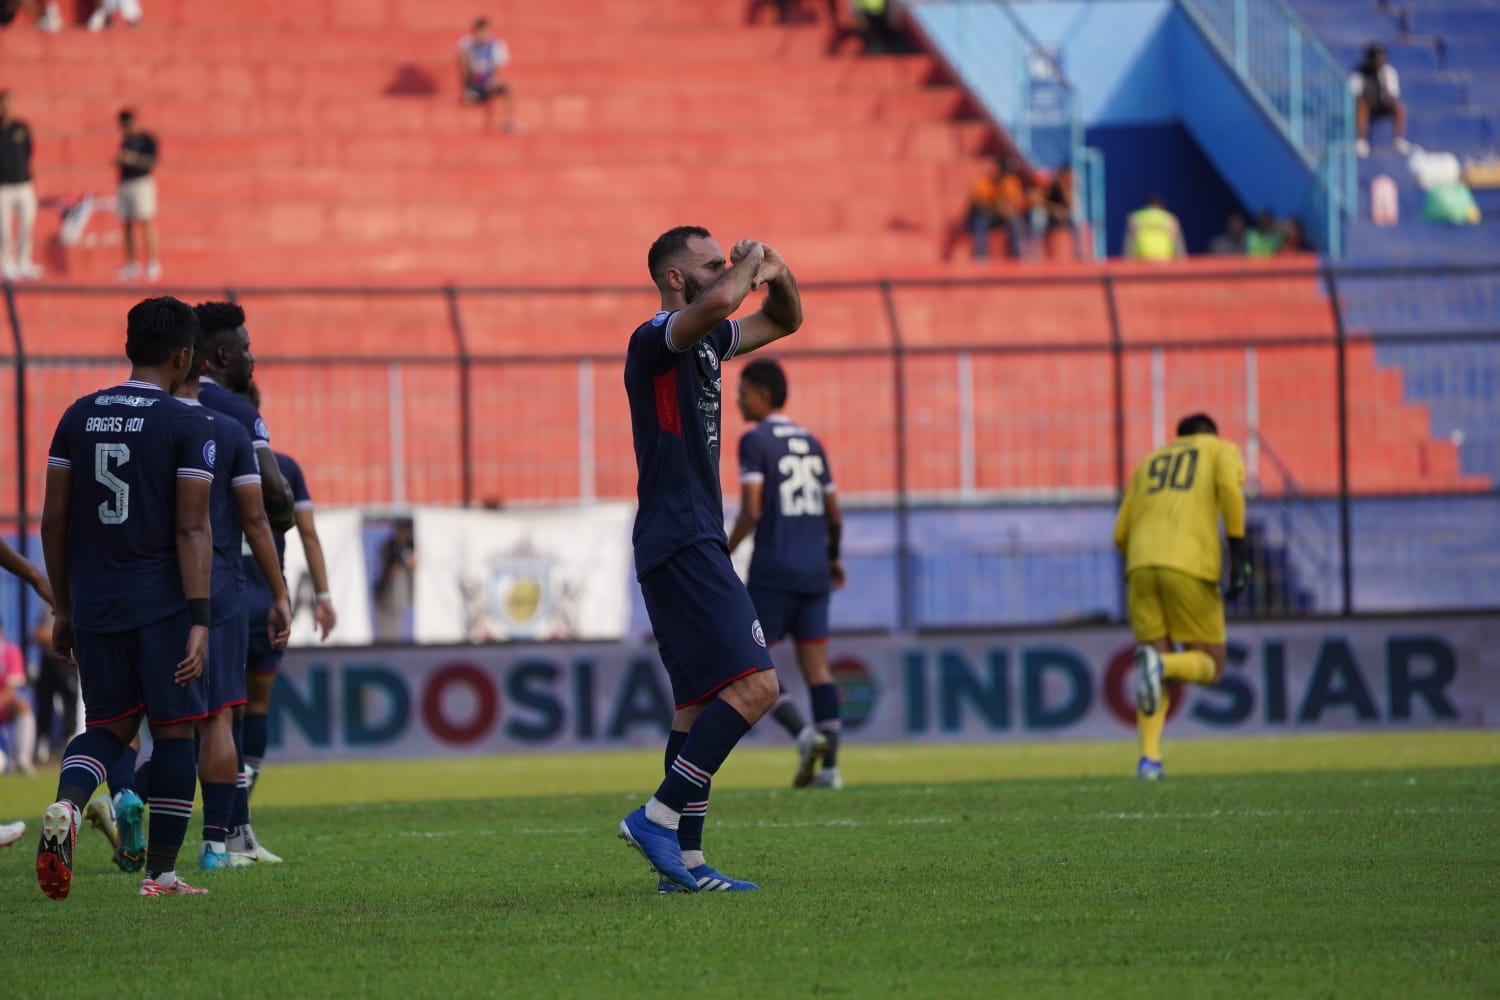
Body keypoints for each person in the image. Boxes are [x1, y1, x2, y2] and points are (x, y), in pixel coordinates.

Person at [618, 226, 803, 893]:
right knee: (758, 687)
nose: (725, 269)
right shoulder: (657, 338)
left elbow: (784, 318)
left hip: (689, 535)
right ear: (675, 279)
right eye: (709, 263)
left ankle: (687, 866)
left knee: (698, 705)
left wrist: (777, 273)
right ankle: (657, 817)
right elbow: (726, 300)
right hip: (683, 534)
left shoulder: (706, 346)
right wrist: (750, 264)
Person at [37, 295, 216, 900]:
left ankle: (67, 804)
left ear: (127, 348)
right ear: (184, 356)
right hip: (162, 604)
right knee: (174, 732)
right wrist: (200, 618)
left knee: (108, 727)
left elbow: (52, 522)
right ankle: (161, 875)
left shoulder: (77, 415)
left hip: (95, 601)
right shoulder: (189, 424)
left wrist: (64, 607)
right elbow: (192, 527)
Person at [172, 341, 291, 870]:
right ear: (211, 356)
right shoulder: (236, 419)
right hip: (218, 580)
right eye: (243, 345)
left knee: (140, 720)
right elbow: (270, 507)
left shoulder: (112, 416)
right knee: (224, 712)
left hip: (145, 583)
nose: (252, 355)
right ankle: (220, 841)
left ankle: (111, 793)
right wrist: (281, 589)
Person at [727, 358, 846, 790]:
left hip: (775, 569)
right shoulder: (813, 443)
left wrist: (723, 552)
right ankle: (830, 770)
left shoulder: (755, 441)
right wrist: (833, 557)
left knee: (752, 661)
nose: (737, 399)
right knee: (818, 669)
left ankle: (801, 733)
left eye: (742, 391)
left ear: (761, 393)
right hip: (815, 569)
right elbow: (834, 515)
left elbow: (753, 509)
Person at [1113, 413, 1251, 781]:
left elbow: (1120, 532)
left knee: (1153, 664)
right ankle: (1163, 666)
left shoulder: (1148, 463)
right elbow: (1230, 489)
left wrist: (1143, 562)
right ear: (1211, 433)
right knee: (1212, 665)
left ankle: (1149, 761)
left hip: (1140, 565)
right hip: (1189, 564)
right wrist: (1239, 552)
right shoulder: (1220, 450)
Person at [237, 384, 334, 861]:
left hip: (210, 601)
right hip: (264, 603)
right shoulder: (284, 468)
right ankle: (236, 826)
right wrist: (324, 596)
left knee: (198, 722)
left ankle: (130, 794)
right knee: (254, 709)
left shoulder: (198, 453)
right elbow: (309, 534)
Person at [195, 302, 297, 534]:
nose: (251, 358)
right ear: (223, 355)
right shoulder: (237, 408)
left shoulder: (169, 400)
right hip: (220, 557)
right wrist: (284, 517)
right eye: (245, 348)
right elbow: (276, 494)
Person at [114, 109, 160, 282]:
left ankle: (152, 263)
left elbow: (152, 162)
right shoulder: (126, 140)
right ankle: (132, 264)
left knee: (146, 220)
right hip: (125, 183)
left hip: (142, 182)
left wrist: (131, 158)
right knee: (127, 224)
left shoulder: (146, 139)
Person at [0, 90, 42, 281]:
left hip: (23, 183)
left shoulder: (21, 127)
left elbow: (28, 150)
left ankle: (23, 261)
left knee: (27, 222)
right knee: (3, 227)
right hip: (3, 186)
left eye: (9, 103)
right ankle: (7, 263)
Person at [31, 606, 78, 763]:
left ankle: (69, 743)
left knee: (70, 700)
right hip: (49, 660)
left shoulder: (76, 597)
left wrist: (52, 637)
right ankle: (42, 745)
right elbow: (38, 633)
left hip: (67, 661)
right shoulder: (47, 605)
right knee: (44, 701)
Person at [455, 17, 517, 132]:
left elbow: (498, 67)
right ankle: (469, 91)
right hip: (472, 82)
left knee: (507, 89)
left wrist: (493, 80)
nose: (483, 35)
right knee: (463, 55)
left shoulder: (496, 45)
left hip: (488, 83)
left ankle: (509, 121)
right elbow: (461, 63)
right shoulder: (466, 44)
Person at [1351, 43, 1409, 159]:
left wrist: (1386, 98)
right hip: (1367, 104)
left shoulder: (1389, 71)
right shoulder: (1359, 72)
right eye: (1376, 59)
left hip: (1383, 104)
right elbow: (1355, 93)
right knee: (1362, 105)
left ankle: (1398, 140)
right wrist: (1368, 98)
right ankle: (1361, 141)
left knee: (1398, 107)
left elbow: (1393, 93)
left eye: (1382, 58)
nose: (1380, 61)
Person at [965, 156, 1027, 261]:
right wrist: (997, 206)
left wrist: (1007, 209)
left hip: (1001, 216)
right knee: (979, 220)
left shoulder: (1010, 181)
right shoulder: (983, 182)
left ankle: (1018, 254)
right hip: (985, 215)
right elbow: (980, 205)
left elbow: (1016, 203)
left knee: (1015, 219)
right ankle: (980, 255)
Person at [0, 622, 36, 775]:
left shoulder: (10, 652)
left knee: (23, 707)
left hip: (4, 706)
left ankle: (23, 759)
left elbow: (10, 689)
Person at [374, 518, 415, 642]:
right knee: (387, 632)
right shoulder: (389, 547)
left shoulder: (412, 546)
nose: (403, 534)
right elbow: (387, 571)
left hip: (404, 598)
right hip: (386, 596)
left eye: (406, 531)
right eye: (401, 530)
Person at [1124, 194, 1185, 261]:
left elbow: (1128, 245)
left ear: (1145, 206)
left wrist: (1128, 263)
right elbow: (1179, 246)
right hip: (1165, 260)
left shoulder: (1136, 218)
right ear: (1161, 206)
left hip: (1142, 260)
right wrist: (1182, 264)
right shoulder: (1170, 218)